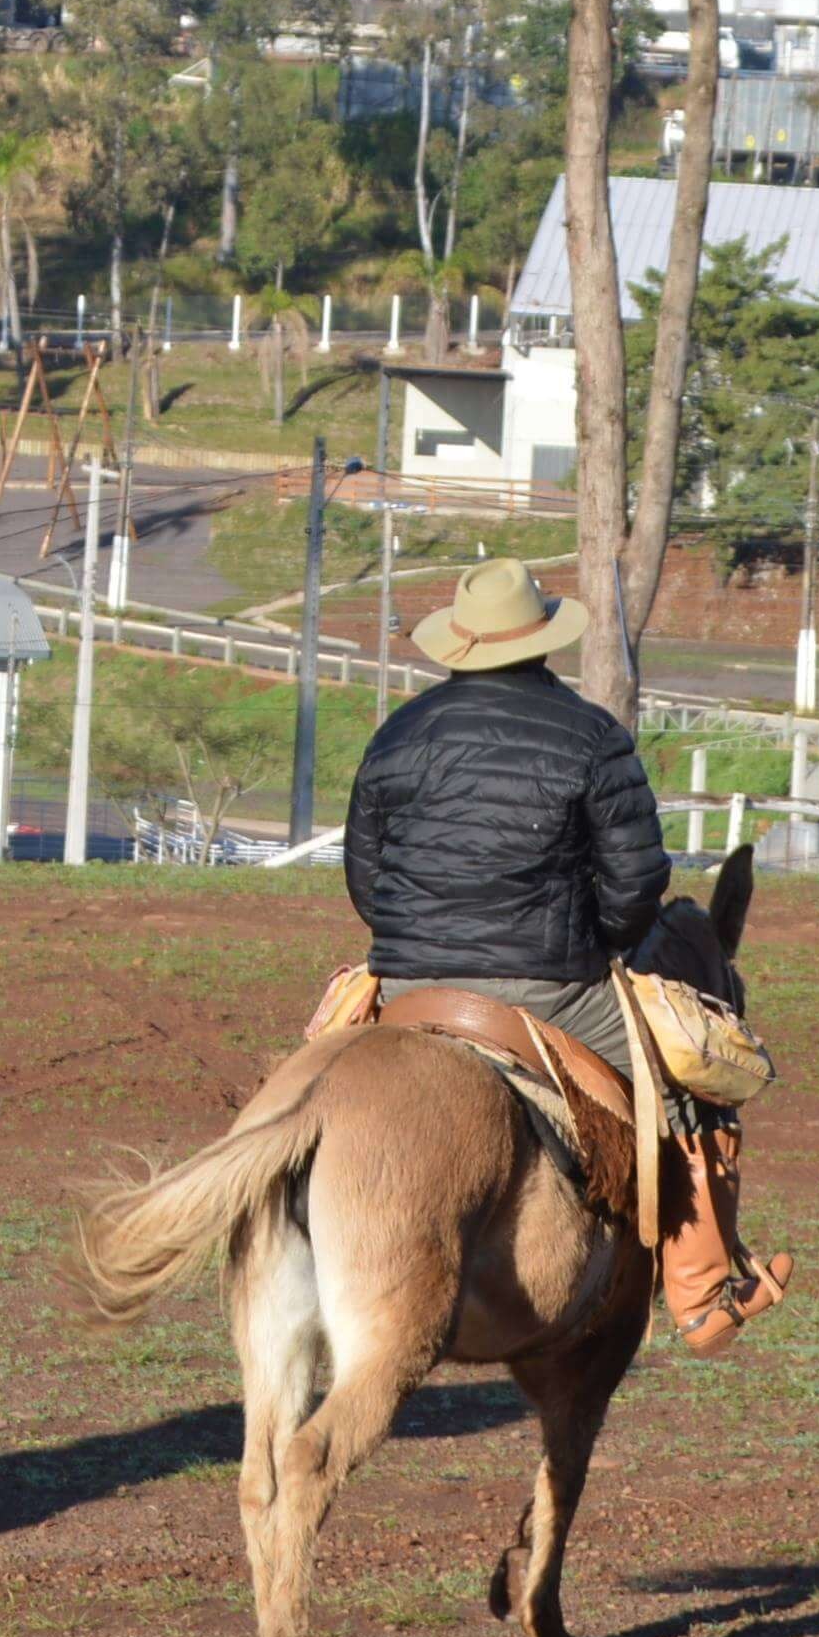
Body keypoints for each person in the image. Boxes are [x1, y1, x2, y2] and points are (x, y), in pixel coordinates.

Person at [342, 558, 786, 1351]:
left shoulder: (398, 732)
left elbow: (365, 878)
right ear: (544, 642)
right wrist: (603, 941)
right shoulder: (590, 735)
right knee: (683, 1080)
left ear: (460, 644)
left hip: (408, 977)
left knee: (319, 1066)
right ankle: (704, 1292)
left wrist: (416, 944)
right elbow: (638, 880)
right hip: (550, 985)